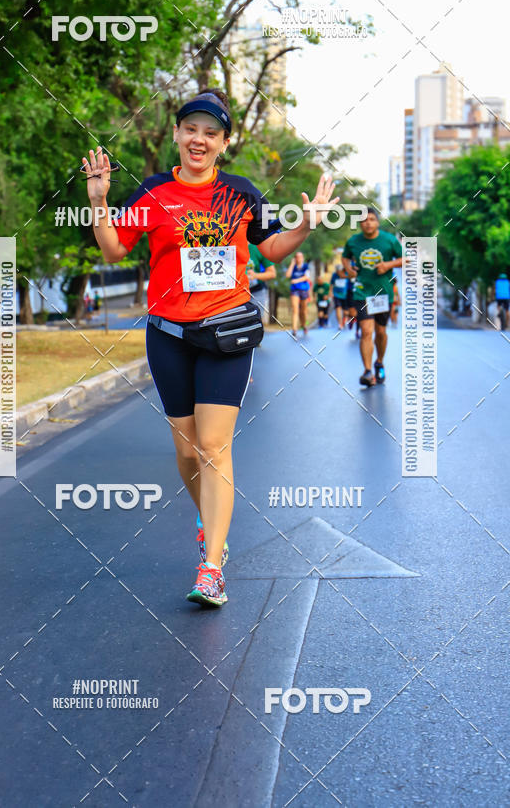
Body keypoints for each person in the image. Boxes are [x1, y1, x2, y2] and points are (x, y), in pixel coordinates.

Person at [84, 88, 339, 608]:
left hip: (226, 332)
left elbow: (273, 248)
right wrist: (99, 202)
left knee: (214, 446)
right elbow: (112, 249)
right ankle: (209, 522)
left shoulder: (242, 193)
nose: (199, 140)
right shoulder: (153, 192)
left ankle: (212, 567)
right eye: (191, 129)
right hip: (169, 335)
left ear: (224, 143)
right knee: (186, 450)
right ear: (178, 135)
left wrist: (306, 223)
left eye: (211, 133)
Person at [342, 207, 403, 386]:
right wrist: (348, 269)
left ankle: (379, 362)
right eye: (364, 220)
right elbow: (345, 257)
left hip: (383, 293)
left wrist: (388, 265)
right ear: (360, 224)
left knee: (381, 332)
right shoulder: (353, 241)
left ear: (377, 222)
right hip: (362, 291)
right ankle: (367, 371)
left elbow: (405, 259)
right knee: (366, 331)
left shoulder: (389, 240)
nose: (368, 223)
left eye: (371, 219)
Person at [246, 242, 276, 325]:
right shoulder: (229, 245)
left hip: (256, 291)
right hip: (235, 293)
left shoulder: (259, 247)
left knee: (254, 322)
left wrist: (255, 275)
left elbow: (272, 273)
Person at [285, 251, 312, 337]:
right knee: (295, 309)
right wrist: (292, 264)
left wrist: (296, 280)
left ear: (303, 258)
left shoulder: (305, 266)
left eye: (300, 257)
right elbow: (287, 275)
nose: (299, 259)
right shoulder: (293, 267)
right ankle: (294, 329)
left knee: (303, 311)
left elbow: (307, 277)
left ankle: (304, 325)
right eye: (297, 257)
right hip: (294, 290)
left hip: (304, 289)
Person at [330, 264, 350, 330]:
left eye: (340, 271)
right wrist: (331, 292)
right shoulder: (334, 275)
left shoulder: (347, 274)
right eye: (337, 271)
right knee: (338, 308)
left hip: (345, 295)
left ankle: (344, 320)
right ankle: (340, 324)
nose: (338, 272)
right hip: (336, 294)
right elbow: (331, 284)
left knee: (346, 312)